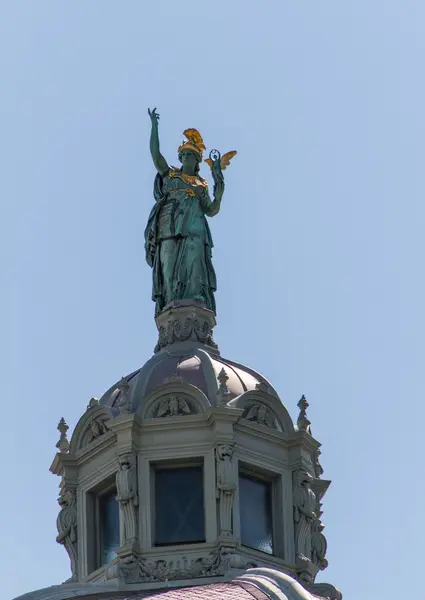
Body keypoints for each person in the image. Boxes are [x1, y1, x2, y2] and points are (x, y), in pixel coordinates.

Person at [145, 108, 225, 315]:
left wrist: (220, 190)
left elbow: (211, 210)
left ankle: (194, 301)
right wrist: (154, 126)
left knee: (194, 265)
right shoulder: (170, 174)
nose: (185, 157)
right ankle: (171, 301)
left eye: (190, 155)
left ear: (197, 160)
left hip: (195, 229)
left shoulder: (201, 185)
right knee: (168, 266)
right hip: (169, 226)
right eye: (183, 155)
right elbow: (155, 156)